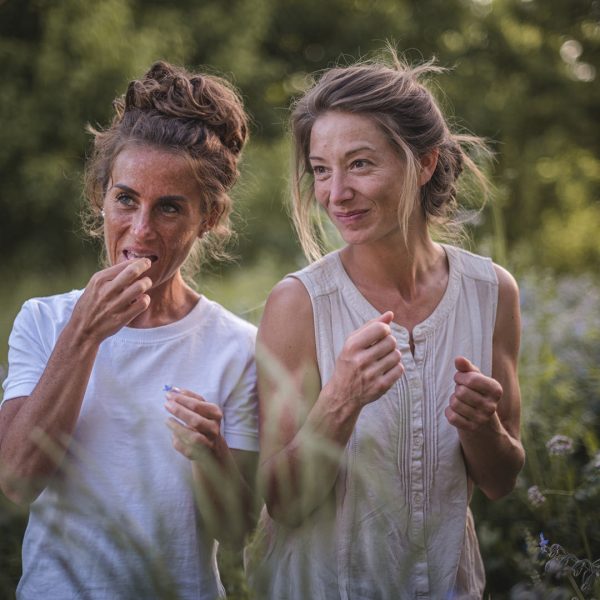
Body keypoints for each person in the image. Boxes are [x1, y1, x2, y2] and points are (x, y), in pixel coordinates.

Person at [249, 51, 525, 599]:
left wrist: (482, 427)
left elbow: (501, 480)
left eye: (360, 164)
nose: (335, 194)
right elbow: (282, 502)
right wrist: (341, 400)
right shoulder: (298, 303)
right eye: (321, 170)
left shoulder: (491, 291)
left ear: (424, 164)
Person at [0, 61, 258, 600]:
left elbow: (237, 533)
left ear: (208, 217)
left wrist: (211, 454)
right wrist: (84, 333)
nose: (140, 231)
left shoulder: (238, 347)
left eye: (168, 208)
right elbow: (18, 479)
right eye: (126, 199)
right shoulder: (44, 321)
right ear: (101, 197)